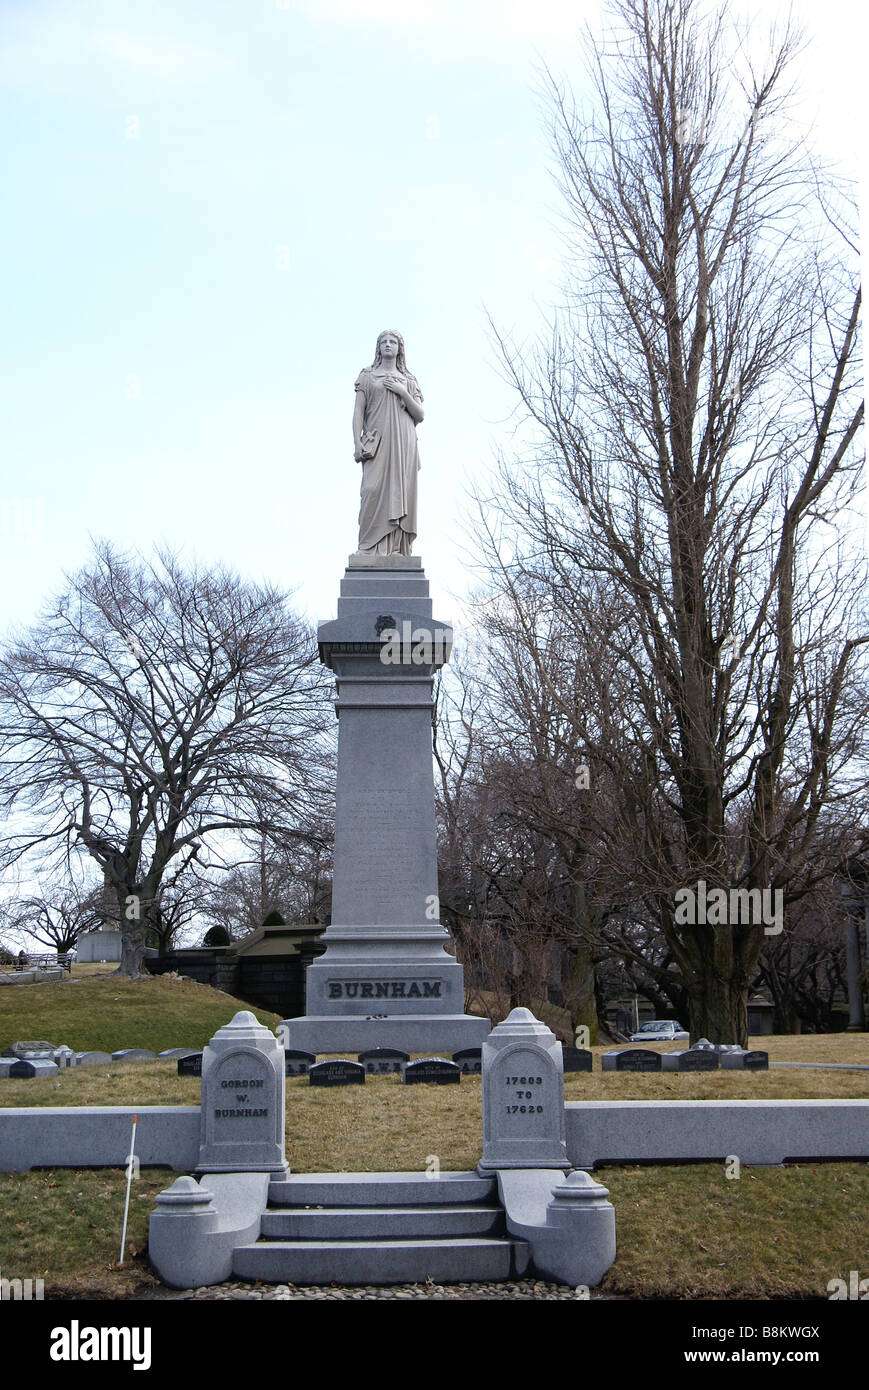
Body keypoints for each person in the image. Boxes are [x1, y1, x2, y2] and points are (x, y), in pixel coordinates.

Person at [352, 330, 424, 555]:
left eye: (393, 341)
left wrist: (403, 392)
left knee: (400, 492)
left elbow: (420, 415)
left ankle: (397, 549)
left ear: (400, 348)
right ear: (378, 347)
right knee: (371, 490)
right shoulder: (368, 376)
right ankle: (368, 548)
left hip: (404, 442)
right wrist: (356, 443)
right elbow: (357, 412)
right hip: (377, 442)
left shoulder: (409, 381)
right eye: (383, 341)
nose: (388, 345)